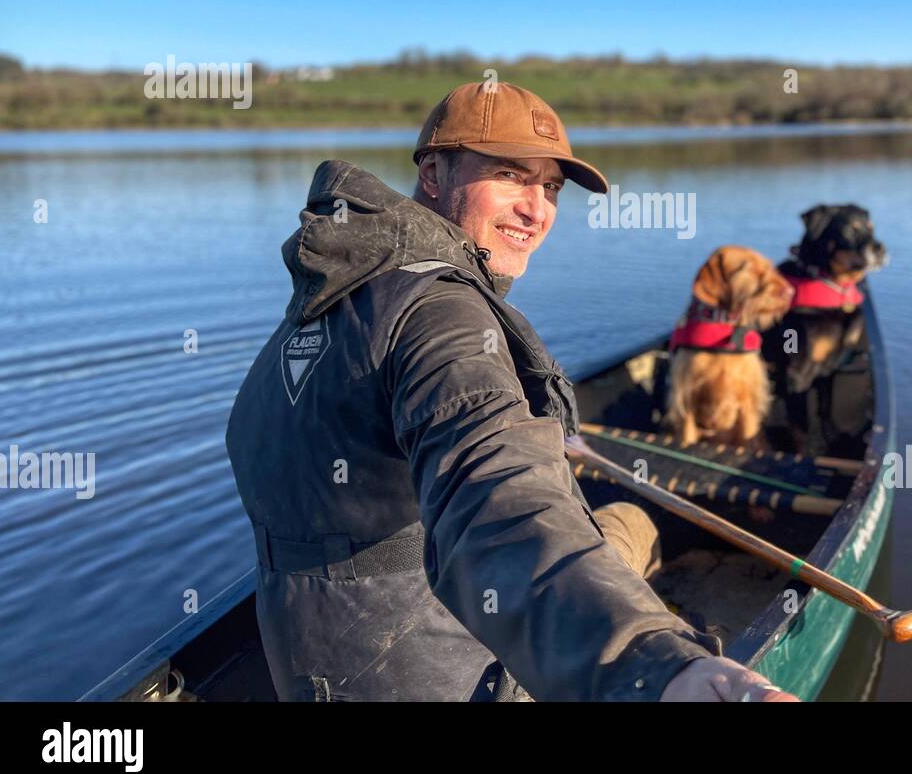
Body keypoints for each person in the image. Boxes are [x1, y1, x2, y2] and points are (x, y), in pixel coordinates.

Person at [224, 80, 796, 702]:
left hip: (311, 657)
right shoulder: (444, 315)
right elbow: (501, 504)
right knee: (637, 518)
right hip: (446, 672)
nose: (537, 209)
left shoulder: (329, 293)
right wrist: (658, 666)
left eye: (549, 187)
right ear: (435, 175)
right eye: (509, 175)